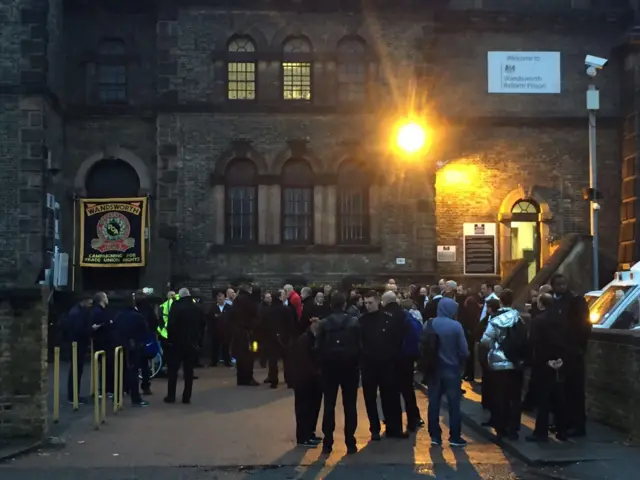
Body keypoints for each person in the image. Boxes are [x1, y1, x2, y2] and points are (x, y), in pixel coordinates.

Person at [315, 292, 361, 455]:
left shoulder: (324, 324)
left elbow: (317, 347)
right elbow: (359, 345)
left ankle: (328, 441)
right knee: (350, 405)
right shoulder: (354, 322)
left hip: (330, 367)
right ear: (344, 304)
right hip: (350, 367)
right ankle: (350, 441)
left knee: (329, 404)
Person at [549, 273, 591, 437]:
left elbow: (584, 326)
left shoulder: (576, 301)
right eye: (558, 284)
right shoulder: (554, 301)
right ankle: (563, 422)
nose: (562, 287)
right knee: (561, 391)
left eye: (563, 284)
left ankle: (578, 425)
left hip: (573, 352)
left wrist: (579, 347)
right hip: (558, 352)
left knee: (575, 390)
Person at [359, 291, 404, 441]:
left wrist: (392, 358)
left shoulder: (387, 319)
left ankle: (393, 427)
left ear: (378, 301)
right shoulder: (362, 321)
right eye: (365, 303)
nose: (368, 306)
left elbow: (396, 340)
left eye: (370, 302)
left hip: (386, 365)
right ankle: (374, 429)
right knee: (370, 398)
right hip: (369, 366)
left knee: (389, 397)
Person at [480, 289, 524, 440]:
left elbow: (485, 341)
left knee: (499, 396)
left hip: (498, 363)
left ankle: (501, 426)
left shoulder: (495, 319)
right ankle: (514, 428)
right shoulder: (520, 318)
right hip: (515, 363)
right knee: (515, 397)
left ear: (500, 301)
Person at [426, 297, 469, 447]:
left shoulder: (429, 323)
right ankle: (455, 436)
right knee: (454, 404)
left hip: (433, 369)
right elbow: (464, 351)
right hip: (452, 369)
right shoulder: (456, 326)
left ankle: (435, 436)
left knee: (434, 403)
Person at [527, 293, 568, 442]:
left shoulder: (538, 321)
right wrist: (561, 359)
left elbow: (535, 343)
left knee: (543, 399)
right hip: (559, 362)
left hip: (544, 364)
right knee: (559, 399)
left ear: (541, 304)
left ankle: (541, 432)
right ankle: (562, 431)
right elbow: (566, 341)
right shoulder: (562, 319)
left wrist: (545, 361)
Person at [164, 288, 203, 404]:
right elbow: (202, 325)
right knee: (189, 371)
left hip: (176, 343)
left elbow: (170, 324)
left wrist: (170, 340)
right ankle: (187, 397)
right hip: (191, 343)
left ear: (180, 296)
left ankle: (171, 396)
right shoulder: (196, 307)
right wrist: (198, 341)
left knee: (173, 371)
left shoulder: (176, 306)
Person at [114, 292, 150, 407]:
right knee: (133, 372)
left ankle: (119, 395)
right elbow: (145, 331)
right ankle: (136, 398)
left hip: (119, 347)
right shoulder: (138, 316)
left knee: (120, 371)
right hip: (134, 346)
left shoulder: (118, 315)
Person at [291, 317, 323, 448]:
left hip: (312, 380)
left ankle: (309, 433)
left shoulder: (313, 339)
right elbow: (304, 362)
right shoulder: (305, 340)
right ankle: (304, 436)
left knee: (312, 408)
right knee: (305, 409)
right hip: (305, 381)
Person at [263, 289, 295, 388]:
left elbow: (265, 325)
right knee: (287, 361)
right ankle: (289, 380)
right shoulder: (285, 309)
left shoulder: (268, 310)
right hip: (284, 337)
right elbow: (291, 323)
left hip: (271, 338)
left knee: (273, 361)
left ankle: (273, 381)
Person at [230, 283, 259, 386]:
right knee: (249, 355)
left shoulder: (236, 300)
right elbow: (254, 314)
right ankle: (248, 377)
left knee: (240, 355)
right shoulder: (249, 300)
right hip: (248, 332)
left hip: (237, 332)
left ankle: (240, 378)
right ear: (249, 290)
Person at [65, 296, 93, 404]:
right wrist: (90, 330)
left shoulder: (76, 311)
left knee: (76, 370)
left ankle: (74, 395)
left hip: (76, 344)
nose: (90, 306)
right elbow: (80, 329)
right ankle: (73, 396)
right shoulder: (78, 313)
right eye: (89, 303)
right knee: (76, 370)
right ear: (83, 301)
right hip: (77, 344)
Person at [90, 292, 114, 398]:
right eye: (105, 297)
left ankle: (105, 389)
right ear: (101, 299)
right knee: (104, 366)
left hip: (104, 342)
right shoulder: (98, 311)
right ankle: (102, 390)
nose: (107, 298)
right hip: (102, 342)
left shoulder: (101, 311)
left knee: (106, 366)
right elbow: (95, 326)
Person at [207, 290, 232, 367]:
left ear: (224, 298)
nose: (220, 300)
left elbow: (232, 318)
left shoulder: (229, 308)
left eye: (221, 298)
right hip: (216, 331)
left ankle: (227, 361)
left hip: (226, 331)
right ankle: (214, 362)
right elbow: (209, 319)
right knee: (215, 347)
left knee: (226, 347)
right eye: (218, 299)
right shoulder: (213, 308)